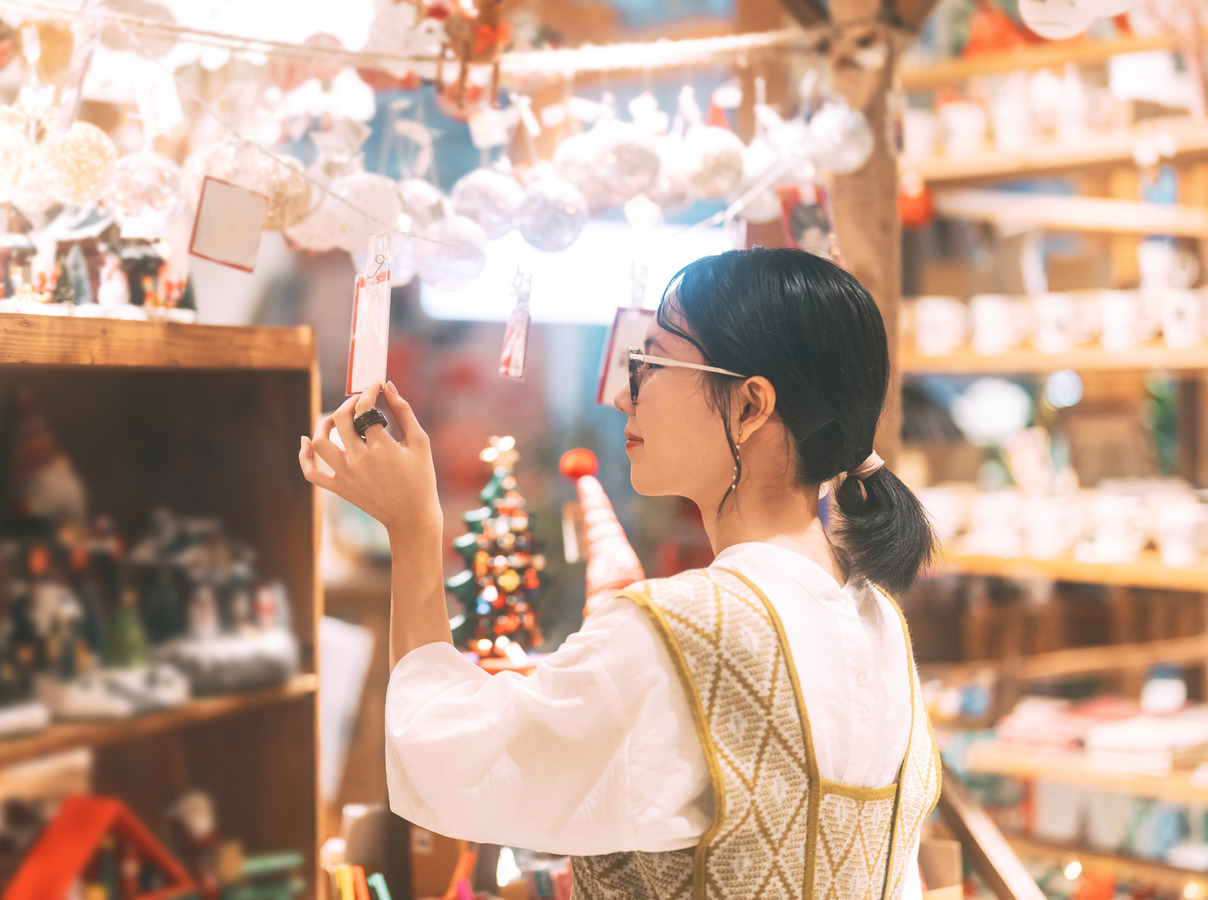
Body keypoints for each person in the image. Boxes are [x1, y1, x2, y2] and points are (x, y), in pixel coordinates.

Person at [298, 248, 940, 899]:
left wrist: (413, 529)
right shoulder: (878, 620)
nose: (623, 394)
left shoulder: (685, 632)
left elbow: (442, 759)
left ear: (749, 407)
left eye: (652, 364)